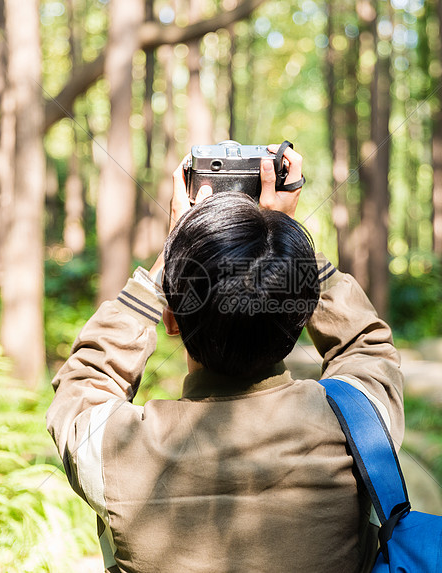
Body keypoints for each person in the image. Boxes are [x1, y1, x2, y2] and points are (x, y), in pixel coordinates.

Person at [47, 144, 404, 573]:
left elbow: (86, 380)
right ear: (302, 312)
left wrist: (175, 250)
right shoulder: (358, 427)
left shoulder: (111, 450)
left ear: (171, 320)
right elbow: (364, 343)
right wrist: (282, 238)